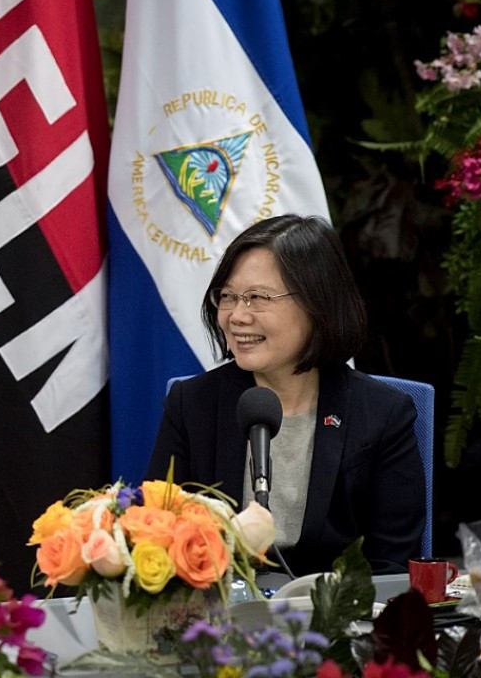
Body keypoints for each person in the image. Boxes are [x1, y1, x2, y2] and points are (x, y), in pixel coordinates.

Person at [145, 215, 425, 575]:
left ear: (317, 303)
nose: (236, 316)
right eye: (228, 296)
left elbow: (393, 565)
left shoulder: (382, 413)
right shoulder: (192, 404)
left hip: (338, 606)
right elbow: (157, 535)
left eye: (257, 298)